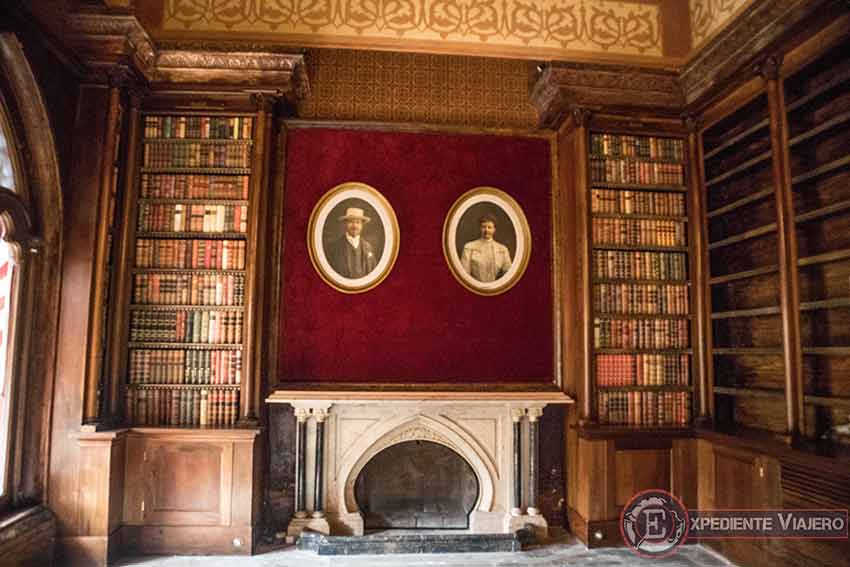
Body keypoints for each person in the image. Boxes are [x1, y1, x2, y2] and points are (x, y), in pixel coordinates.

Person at [327, 207, 378, 278]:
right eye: (351, 222)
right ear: (345, 223)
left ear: (362, 225)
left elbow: (374, 274)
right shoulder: (334, 247)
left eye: (358, 222)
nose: (355, 226)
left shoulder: (368, 247)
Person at [461, 213, 512, 282]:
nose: (486, 230)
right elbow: (465, 274)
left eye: (489, 227)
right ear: (480, 228)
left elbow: (508, 274)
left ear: (494, 229)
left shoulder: (502, 249)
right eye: (483, 227)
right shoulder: (469, 247)